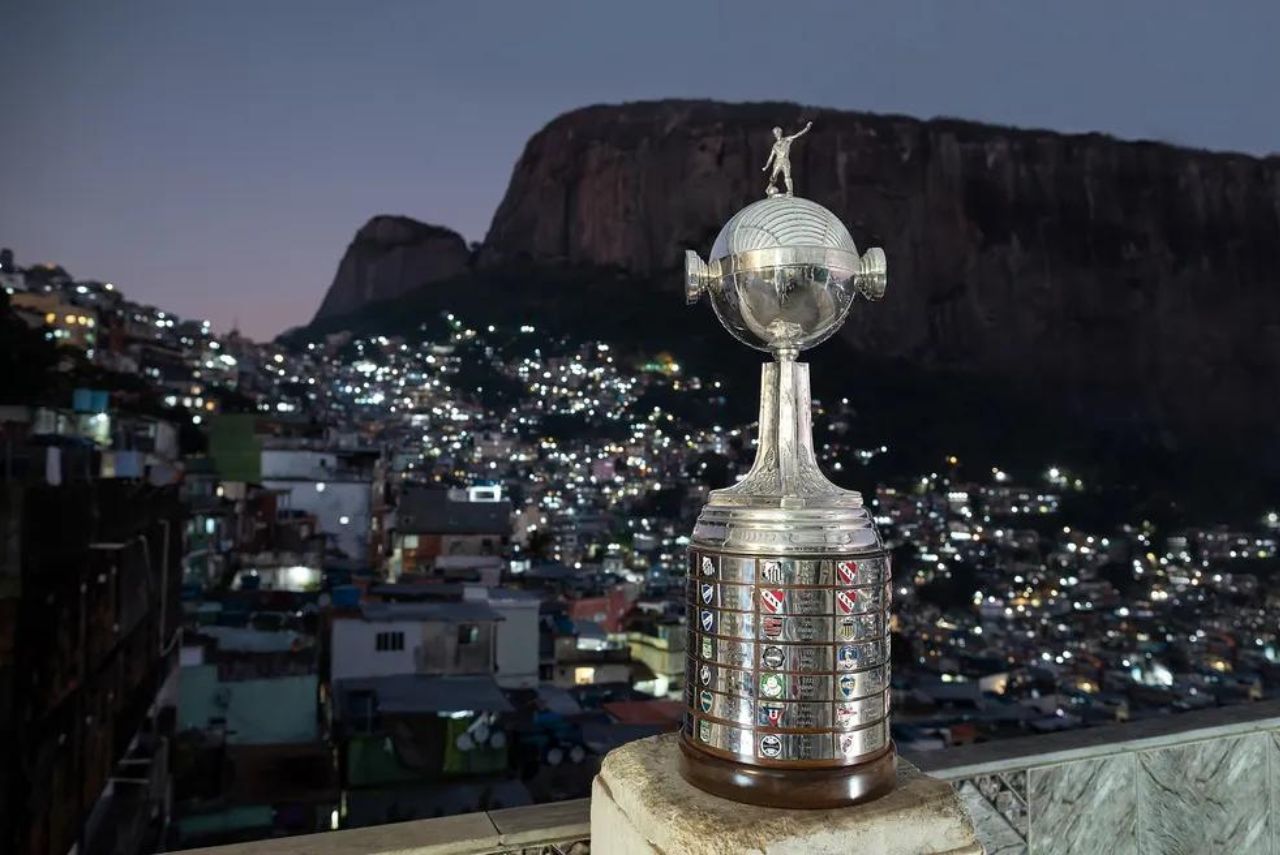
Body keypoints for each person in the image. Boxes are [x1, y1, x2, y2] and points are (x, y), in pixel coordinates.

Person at [762, 121, 812, 197]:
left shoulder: (787, 140)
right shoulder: (775, 145)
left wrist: (807, 128)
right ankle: (769, 188)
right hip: (777, 162)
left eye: (777, 132)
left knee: (787, 176)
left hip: (785, 161)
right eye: (775, 133)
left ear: (780, 132)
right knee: (773, 176)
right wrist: (766, 166)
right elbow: (771, 157)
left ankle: (790, 191)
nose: (776, 134)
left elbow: (798, 135)